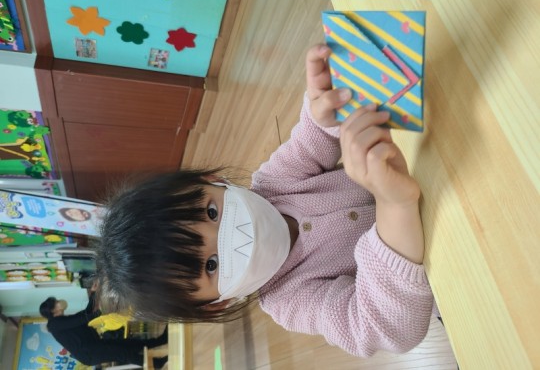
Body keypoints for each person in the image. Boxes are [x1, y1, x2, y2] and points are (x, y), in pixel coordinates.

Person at [95, 44, 434, 357]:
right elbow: (382, 327)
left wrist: (325, 109)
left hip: (435, 178)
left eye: (211, 212)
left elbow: (312, 139)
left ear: (213, 182)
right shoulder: (288, 300)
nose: (236, 236)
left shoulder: (273, 182)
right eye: (211, 265)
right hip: (442, 265)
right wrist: (394, 207)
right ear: (217, 303)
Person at [39, 292, 168, 368]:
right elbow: (82, 319)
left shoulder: (61, 320)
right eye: (56, 302)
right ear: (53, 310)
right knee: (123, 353)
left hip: (94, 344)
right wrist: (102, 310)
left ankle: (160, 340)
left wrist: (93, 294)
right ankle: (158, 363)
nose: (59, 302)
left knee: (128, 344)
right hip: (89, 353)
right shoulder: (54, 325)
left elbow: (85, 313)